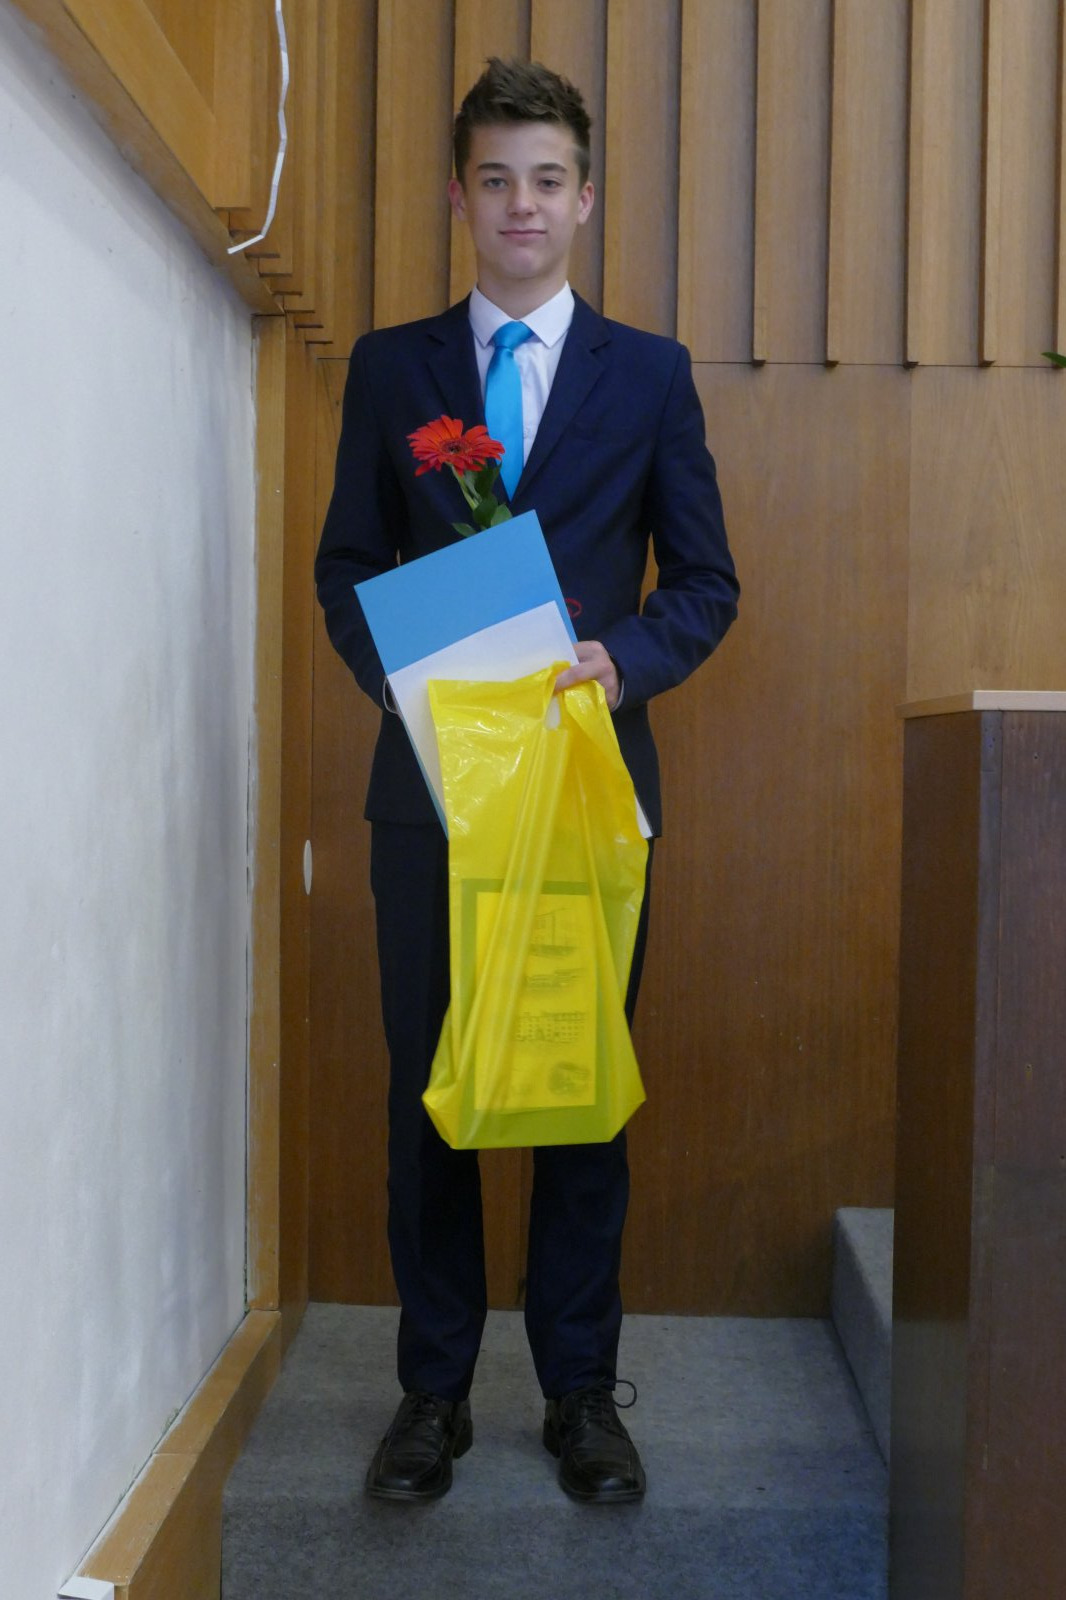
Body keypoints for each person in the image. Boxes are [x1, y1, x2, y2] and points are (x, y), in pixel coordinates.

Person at [315, 57, 739, 1506]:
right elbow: (347, 564)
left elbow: (706, 584)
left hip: (584, 798)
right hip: (429, 797)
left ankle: (578, 1397)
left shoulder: (652, 375)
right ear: (458, 196)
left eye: (546, 180)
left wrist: (624, 662)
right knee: (428, 1091)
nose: (521, 206)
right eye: (494, 178)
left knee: (576, 1087)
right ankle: (431, 1394)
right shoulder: (392, 369)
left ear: (585, 198)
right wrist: (405, 684)